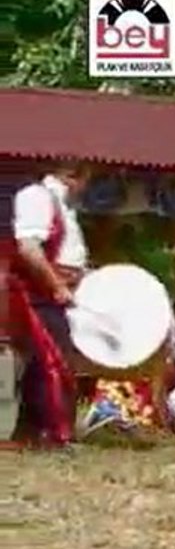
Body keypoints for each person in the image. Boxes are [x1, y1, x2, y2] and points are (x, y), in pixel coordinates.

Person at [10, 163, 91, 447]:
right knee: (55, 363)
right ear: (74, 176)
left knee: (42, 363)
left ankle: (32, 433)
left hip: (54, 294)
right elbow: (29, 249)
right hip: (37, 294)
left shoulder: (61, 204)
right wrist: (56, 285)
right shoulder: (37, 196)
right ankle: (54, 434)